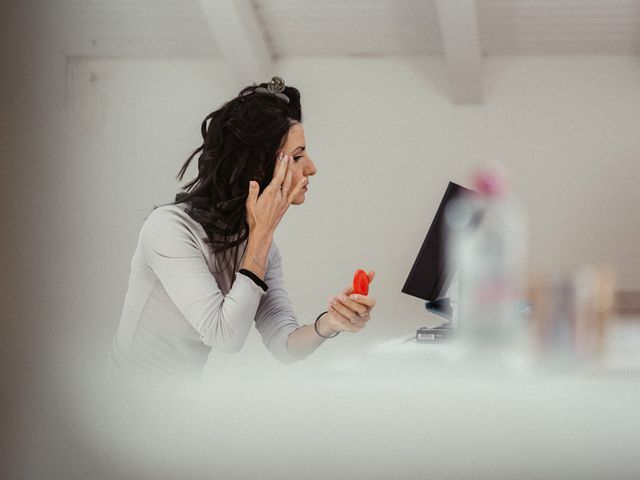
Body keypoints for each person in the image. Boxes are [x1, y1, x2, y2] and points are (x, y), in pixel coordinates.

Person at [109, 77, 376, 378]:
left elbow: (283, 344)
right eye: (298, 156)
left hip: (177, 408)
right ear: (259, 168)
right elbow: (225, 336)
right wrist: (261, 234)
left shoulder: (263, 250)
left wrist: (330, 323)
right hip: (124, 402)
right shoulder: (169, 229)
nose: (312, 167)